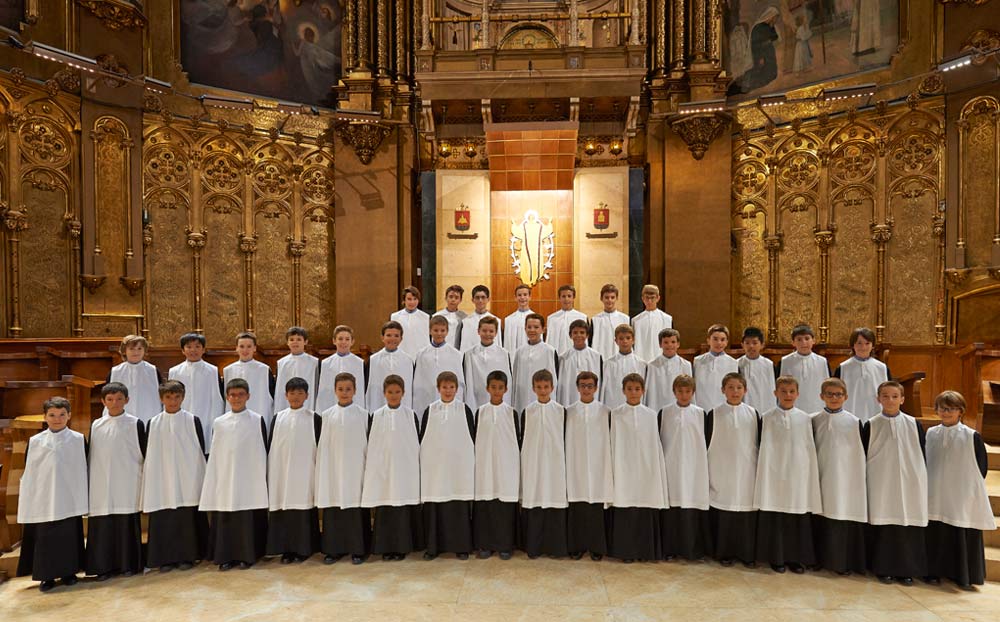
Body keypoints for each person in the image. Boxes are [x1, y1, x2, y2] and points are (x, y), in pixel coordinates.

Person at [16, 397, 88, 592]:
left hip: (68, 496)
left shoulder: (78, 439)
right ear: (45, 417)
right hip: (44, 496)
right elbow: (30, 470)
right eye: (52, 415)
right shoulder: (35, 441)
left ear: (69, 416)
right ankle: (46, 576)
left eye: (62, 414)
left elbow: (83, 467)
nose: (57, 419)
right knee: (45, 537)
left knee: (68, 536)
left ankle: (69, 572)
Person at [925, 390, 995, 588]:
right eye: (942, 408)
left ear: (961, 411)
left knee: (959, 530)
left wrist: (965, 487)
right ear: (937, 410)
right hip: (936, 493)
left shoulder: (971, 436)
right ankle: (933, 572)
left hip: (960, 493)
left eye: (951, 409)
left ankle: (962, 575)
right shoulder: (931, 433)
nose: (946, 412)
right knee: (936, 532)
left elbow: (981, 467)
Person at [199, 378, 269, 571]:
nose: (236, 398)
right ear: (227, 397)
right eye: (232, 395)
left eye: (240, 394)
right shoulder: (219, 422)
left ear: (248, 396)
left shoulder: (257, 419)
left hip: (249, 477)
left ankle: (247, 555)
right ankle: (225, 555)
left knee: (247, 515)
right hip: (226, 476)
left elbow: (262, 449)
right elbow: (216, 452)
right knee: (226, 514)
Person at [754, 376, 822, 574]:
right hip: (774, 473)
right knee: (776, 515)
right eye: (783, 391)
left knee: (796, 515)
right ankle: (777, 557)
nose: (788, 395)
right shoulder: (766, 417)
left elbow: (808, 447)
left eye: (792, 391)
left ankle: (796, 558)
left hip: (797, 473)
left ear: (798, 394)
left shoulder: (805, 418)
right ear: (775, 393)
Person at [863, 380, 928, 586]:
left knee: (906, 524)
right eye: (885, 396)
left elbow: (922, 452)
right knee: (884, 525)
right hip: (881, 480)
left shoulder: (913, 423)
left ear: (902, 399)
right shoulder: (870, 424)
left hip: (909, 480)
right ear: (878, 399)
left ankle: (906, 569)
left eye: (894, 396)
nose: (890, 400)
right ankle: (883, 569)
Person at [141, 380, 209, 572]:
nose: (173, 401)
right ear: (161, 398)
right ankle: (165, 558)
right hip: (161, 477)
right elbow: (149, 452)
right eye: (168, 397)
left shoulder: (192, 420)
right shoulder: (153, 423)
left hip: (187, 476)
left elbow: (199, 450)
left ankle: (188, 556)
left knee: (186, 516)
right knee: (164, 516)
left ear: (183, 397)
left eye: (177, 397)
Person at [86, 383, 146, 581]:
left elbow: (143, 452)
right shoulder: (96, 425)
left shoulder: (135, 423)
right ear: (103, 402)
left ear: (127, 400)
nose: (115, 403)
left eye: (119, 399)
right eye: (110, 400)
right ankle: (104, 567)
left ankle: (129, 564)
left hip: (127, 479)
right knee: (103, 524)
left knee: (126, 522)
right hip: (101, 480)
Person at [362, 375, 424, 560]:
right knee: (385, 505)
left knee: (402, 507)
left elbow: (414, 443)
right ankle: (385, 547)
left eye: (397, 392)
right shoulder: (376, 415)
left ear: (403, 393)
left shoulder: (410, 415)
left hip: (404, 469)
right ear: (384, 393)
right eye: (390, 392)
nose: (394, 395)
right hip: (383, 470)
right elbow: (372, 443)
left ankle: (402, 547)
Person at [609, 373, 669, 563]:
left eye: (637, 389)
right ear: (623, 391)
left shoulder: (651, 415)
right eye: (629, 389)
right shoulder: (616, 414)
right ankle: (626, 552)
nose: (633, 393)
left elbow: (654, 444)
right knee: (625, 506)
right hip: (623, 466)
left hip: (646, 468)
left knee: (645, 504)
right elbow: (612, 442)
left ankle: (645, 551)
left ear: (643, 391)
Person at [812, 378, 867, 576]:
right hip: (820, 474)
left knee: (840, 514)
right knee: (820, 516)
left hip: (844, 477)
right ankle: (818, 559)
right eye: (830, 394)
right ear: (821, 396)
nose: (834, 398)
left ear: (846, 397)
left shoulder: (854, 422)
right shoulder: (814, 419)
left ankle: (841, 561)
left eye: (838, 394)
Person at [419, 371, 476, 560]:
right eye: (444, 387)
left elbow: (472, 438)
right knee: (435, 506)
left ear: (457, 389)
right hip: (436, 468)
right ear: (438, 389)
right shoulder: (430, 410)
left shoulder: (465, 410)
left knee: (458, 506)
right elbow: (423, 439)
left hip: (458, 468)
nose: (448, 390)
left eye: (451, 387)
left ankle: (461, 546)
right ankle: (433, 547)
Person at [706, 372, 761, 568]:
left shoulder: (754, 414)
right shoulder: (713, 414)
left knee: (745, 512)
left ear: (745, 390)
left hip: (747, 470)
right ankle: (724, 553)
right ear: (723, 390)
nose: (735, 391)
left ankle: (747, 553)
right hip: (722, 469)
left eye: (739, 387)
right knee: (724, 511)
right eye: (730, 387)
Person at [315, 372, 371, 565]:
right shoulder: (327, 415)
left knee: (355, 507)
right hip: (333, 469)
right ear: (335, 391)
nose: (344, 392)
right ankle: (334, 549)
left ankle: (358, 549)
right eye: (341, 389)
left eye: (348, 389)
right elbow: (323, 446)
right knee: (334, 506)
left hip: (355, 469)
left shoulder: (363, 415)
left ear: (355, 390)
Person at [266, 377, 321, 564]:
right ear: (285, 395)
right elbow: (271, 446)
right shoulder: (278, 418)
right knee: (284, 507)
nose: (296, 396)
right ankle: (286, 549)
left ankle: (304, 548)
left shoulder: (314, 418)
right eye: (292, 393)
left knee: (303, 507)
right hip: (281, 471)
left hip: (305, 471)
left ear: (307, 395)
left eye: (300, 393)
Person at [659, 374, 712, 561]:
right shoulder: (664, 413)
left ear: (693, 392)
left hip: (694, 466)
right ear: (674, 392)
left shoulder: (701, 414)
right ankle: (670, 549)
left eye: (687, 391)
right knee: (672, 506)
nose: (683, 395)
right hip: (671, 465)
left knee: (691, 506)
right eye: (680, 391)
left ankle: (692, 550)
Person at [520, 369, 569, 558]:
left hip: (555, 464)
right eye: (539, 387)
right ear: (533, 388)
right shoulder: (527, 411)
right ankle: (534, 547)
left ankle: (555, 547)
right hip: (534, 464)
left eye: (546, 387)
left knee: (553, 501)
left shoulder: (560, 411)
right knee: (535, 500)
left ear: (552, 388)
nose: (542, 390)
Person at [565, 371, 613, 561]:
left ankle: (596, 546)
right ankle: (576, 545)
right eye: (583, 385)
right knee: (578, 504)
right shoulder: (569, 411)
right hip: (576, 462)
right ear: (577, 388)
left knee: (595, 505)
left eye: (590, 386)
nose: (586, 389)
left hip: (598, 463)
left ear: (596, 388)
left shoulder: (605, 411)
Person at [472, 370, 520, 560]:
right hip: (485, 466)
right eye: (493, 387)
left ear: (506, 389)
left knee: (504, 506)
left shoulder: (511, 413)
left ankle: (505, 545)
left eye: (500, 388)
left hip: (505, 466)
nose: (497, 391)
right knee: (486, 505)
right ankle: (485, 544)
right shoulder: (480, 412)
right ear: (487, 388)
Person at [168, 332, 224, 450]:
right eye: (189, 347)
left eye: (197, 346)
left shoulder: (212, 371)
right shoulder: (174, 372)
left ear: (203, 349)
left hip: (207, 418)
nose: (193, 350)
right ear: (183, 350)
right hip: (181, 418)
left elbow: (218, 398)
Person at [412, 315, 466, 417]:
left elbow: (460, 382)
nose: (439, 333)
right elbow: (418, 383)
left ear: (447, 331)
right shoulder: (421, 354)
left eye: (442, 330)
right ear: (430, 331)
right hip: (427, 399)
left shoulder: (456, 354)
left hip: (448, 398)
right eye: (435, 330)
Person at [835, 327, 890, 422]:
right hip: (850, 412)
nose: (863, 347)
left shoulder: (882, 368)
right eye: (859, 343)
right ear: (853, 345)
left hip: (875, 412)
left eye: (867, 343)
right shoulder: (843, 368)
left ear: (873, 345)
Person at [106, 334, 162, 423]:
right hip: (122, 416)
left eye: (139, 349)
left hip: (148, 413)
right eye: (131, 349)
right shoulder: (115, 372)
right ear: (124, 351)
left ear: (145, 350)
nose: (136, 352)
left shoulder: (153, 371)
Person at [222, 331, 275, 423]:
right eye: (241, 346)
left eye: (249, 346)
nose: (245, 350)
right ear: (236, 348)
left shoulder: (264, 370)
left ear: (255, 348)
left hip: (259, 414)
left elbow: (272, 395)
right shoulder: (228, 370)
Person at [462, 315, 512, 412]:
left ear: (496, 333)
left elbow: (508, 381)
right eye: (484, 331)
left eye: (491, 331)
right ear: (478, 331)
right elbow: (468, 381)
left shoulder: (503, 354)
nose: (487, 334)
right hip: (475, 399)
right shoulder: (469, 354)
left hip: (497, 398)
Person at [511, 313, 559, 412]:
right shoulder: (520, 352)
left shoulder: (549, 351)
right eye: (529, 327)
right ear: (525, 329)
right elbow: (515, 377)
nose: (532, 330)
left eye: (536, 327)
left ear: (543, 329)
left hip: (542, 395)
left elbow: (554, 378)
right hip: (522, 396)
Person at [778, 324, 829, 414]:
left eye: (807, 338)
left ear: (813, 340)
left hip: (817, 407)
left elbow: (827, 386)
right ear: (793, 342)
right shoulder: (785, 361)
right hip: (793, 407)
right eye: (799, 339)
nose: (803, 342)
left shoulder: (822, 361)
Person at [316, 325, 367, 413]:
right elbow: (323, 392)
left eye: (347, 339)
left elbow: (360, 391)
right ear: (334, 341)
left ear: (352, 341)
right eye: (340, 339)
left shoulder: (359, 363)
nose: (343, 342)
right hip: (331, 408)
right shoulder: (326, 363)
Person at [365, 321, 415, 412]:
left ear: (401, 338)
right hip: (378, 408)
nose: (392, 339)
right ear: (382, 337)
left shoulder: (408, 361)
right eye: (388, 335)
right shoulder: (373, 360)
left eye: (396, 336)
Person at [273, 326, 320, 416]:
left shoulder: (314, 363)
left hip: (308, 405)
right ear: (287, 342)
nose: (295, 342)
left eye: (299, 339)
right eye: (291, 339)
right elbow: (279, 389)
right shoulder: (281, 363)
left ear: (305, 341)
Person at [556, 319, 603, 407]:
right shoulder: (563, 358)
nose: (578, 335)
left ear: (587, 335)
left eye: (582, 332)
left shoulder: (596, 357)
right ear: (570, 335)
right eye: (575, 332)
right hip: (569, 399)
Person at [644, 328, 692, 412]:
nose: (669, 345)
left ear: (678, 344)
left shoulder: (686, 365)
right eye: (666, 342)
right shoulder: (652, 365)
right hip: (657, 407)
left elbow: (690, 389)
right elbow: (649, 391)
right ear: (660, 344)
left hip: (679, 408)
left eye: (673, 342)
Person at [693, 324, 739, 412]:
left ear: (726, 342)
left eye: (722, 340)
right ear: (708, 340)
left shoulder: (733, 363)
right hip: (701, 407)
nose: (719, 343)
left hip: (724, 408)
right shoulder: (698, 361)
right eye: (715, 339)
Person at [602, 324, 647, 409]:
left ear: (633, 340)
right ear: (616, 341)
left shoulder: (641, 364)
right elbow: (604, 390)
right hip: (613, 406)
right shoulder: (608, 364)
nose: (625, 341)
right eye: (621, 338)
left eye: (628, 338)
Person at [631, 284, 673, 363]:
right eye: (647, 298)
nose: (649, 301)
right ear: (642, 298)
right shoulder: (636, 320)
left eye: (652, 298)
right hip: (641, 359)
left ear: (658, 298)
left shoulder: (666, 318)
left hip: (661, 359)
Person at [737, 326, 775, 414]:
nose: (751, 346)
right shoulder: (737, 364)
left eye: (755, 343)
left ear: (762, 344)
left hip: (765, 407)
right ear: (742, 344)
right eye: (747, 343)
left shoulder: (769, 364)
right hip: (743, 408)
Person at [590, 283, 630, 361]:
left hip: (621, 358)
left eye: (612, 297)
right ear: (601, 298)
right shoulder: (595, 320)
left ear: (616, 298)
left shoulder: (625, 319)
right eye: (607, 297)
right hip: (601, 359)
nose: (609, 300)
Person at [546, 284, 587, 356]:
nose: (566, 299)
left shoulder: (582, 317)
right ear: (559, 298)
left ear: (573, 297)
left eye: (569, 296)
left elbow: (585, 340)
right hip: (557, 356)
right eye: (563, 296)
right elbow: (549, 340)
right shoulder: (552, 318)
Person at [391, 285, 431, 359]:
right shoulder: (395, 317)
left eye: (415, 299)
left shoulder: (425, 317)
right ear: (404, 300)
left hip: (420, 356)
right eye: (409, 299)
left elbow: (426, 340)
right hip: (401, 355)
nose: (412, 302)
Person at [460, 284, 502, 352]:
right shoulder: (466, 322)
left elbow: (498, 344)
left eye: (483, 297)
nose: (480, 300)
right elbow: (464, 345)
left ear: (488, 299)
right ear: (472, 300)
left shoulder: (496, 320)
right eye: (477, 297)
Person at [433, 284, 467, 349]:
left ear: (460, 300)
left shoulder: (464, 317)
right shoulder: (437, 316)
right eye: (451, 297)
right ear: (446, 298)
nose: (453, 300)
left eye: (456, 297)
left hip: (457, 350)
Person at [503, 284, 535, 353]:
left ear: (530, 297)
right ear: (515, 297)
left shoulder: (536, 319)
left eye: (525, 294)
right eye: (519, 295)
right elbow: (507, 344)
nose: (522, 297)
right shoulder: (509, 320)